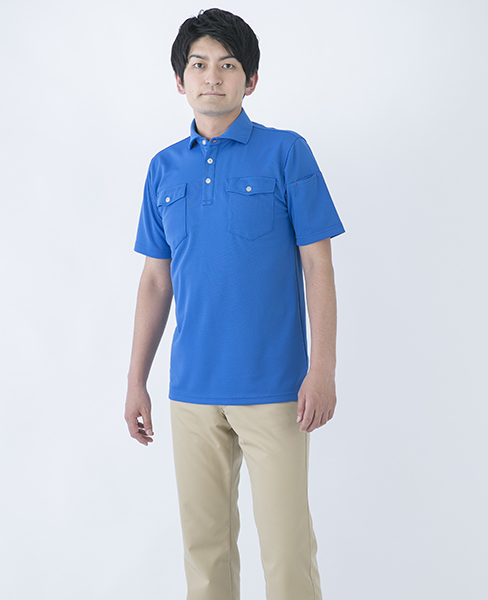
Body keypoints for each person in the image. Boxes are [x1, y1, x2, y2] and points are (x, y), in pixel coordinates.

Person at [125, 8, 344, 600]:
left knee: (287, 552)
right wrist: (136, 380)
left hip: (275, 388)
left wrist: (322, 369)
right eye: (199, 65)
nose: (212, 77)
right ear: (180, 81)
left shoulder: (286, 153)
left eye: (227, 65)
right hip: (192, 391)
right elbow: (155, 281)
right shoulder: (163, 168)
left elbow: (318, 265)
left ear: (251, 79)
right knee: (205, 554)